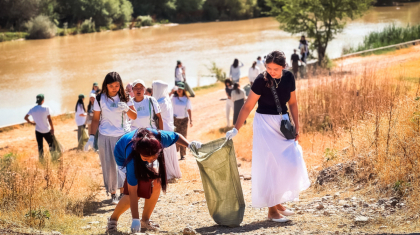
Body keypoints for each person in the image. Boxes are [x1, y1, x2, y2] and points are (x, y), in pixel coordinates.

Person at [226, 50, 310, 223]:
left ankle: (278, 202)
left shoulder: (288, 77)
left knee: (291, 162)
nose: (271, 71)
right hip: (264, 124)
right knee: (271, 165)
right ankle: (272, 211)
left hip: (283, 124)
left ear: (283, 67)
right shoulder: (260, 80)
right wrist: (236, 129)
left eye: (275, 69)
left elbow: (293, 103)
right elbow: (248, 106)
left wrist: (297, 127)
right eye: (269, 68)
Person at [107, 128, 202, 233]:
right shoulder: (132, 158)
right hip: (123, 156)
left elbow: (177, 136)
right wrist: (135, 219)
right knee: (138, 192)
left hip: (142, 153)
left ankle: (145, 220)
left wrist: (189, 145)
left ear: (159, 150)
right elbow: (132, 191)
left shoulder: (160, 138)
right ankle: (113, 220)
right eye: (146, 159)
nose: (149, 161)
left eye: (153, 159)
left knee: (156, 182)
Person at [84, 72, 137, 205]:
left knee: (123, 165)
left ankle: (123, 192)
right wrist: (91, 137)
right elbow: (95, 119)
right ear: (106, 85)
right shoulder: (99, 98)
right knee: (109, 165)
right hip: (105, 135)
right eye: (111, 85)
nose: (114, 88)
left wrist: (126, 109)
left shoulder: (125, 97)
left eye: (117, 85)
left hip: (122, 136)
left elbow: (134, 116)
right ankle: (113, 194)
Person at [152, 81, 182, 180]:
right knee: (169, 151)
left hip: (162, 128)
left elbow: (153, 116)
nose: (152, 90)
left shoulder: (159, 102)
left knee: (164, 151)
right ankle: (172, 171)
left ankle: (167, 173)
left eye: (154, 88)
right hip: (168, 128)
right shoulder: (167, 100)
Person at [24, 94, 55, 159]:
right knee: (51, 145)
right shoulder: (46, 108)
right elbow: (49, 119)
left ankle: (41, 160)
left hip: (38, 131)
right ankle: (54, 158)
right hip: (46, 130)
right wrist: (52, 128)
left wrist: (31, 122)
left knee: (40, 146)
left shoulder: (32, 109)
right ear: (43, 100)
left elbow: (25, 117)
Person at [171, 82, 193, 160]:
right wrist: (171, 92)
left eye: (180, 89)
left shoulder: (186, 99)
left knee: (183, 136)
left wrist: (191, 120)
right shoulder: (173, 98)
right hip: (175, 120)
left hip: (184, 120)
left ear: (183, 90)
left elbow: (189, 110)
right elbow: (166, 100)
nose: (179, 90)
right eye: (178, 89)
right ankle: (175, 151)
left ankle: (182, 154)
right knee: (175, 136)